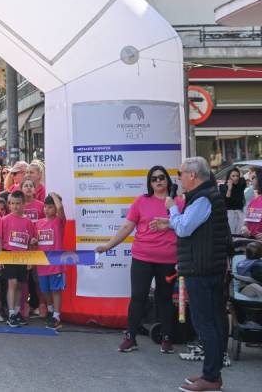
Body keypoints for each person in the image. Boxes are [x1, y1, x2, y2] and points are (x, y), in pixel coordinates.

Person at [150, 157, 231, 392]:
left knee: (206, 323)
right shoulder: (206, 196)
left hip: (202, 269)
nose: (179, 178)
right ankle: (211, 373)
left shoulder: (203, 198)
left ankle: (211, 377)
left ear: (193, 175)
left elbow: (185, 228)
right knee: (212, 322)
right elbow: (191, 225)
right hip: (207, 267)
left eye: (181, 173)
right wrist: (171, 222)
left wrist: (172, 209)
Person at [96, 166, 182, 354]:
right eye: (154, 179)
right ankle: (130, 337)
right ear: (149, 183)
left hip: (168, 259)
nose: (158, 181)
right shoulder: (141, 201)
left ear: (167, 180)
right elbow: (127, 227)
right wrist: (108, 246)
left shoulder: (178, 203)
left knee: (165, 299)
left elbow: (185, 228)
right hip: (142, 257)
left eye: (161, 177)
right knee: (138, 297)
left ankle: (167, 338)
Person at [2, 190, 37, 328]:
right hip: (9, 255)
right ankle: (11, 314)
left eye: (18, 203)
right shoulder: (5, 220)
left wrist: (30, 260)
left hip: (23, 257)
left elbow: (31, 241)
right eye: (12, 203)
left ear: (23, 204)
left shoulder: (28, 222)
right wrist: (0, 259)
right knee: (12, 283)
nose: (15, 206)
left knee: (20, 286)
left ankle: (17, 312)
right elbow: (0, 241)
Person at [36, 193, 66, 330]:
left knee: (56, 290)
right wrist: (33, 241)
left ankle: (57, 316)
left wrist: (53, 195)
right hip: (42, 263)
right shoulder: (38, 223)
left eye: (50, 207)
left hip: (56, 264)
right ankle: (50, 310)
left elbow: (60, 208)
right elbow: (36, 240)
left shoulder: (59, 221)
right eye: (45, 207)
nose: (47, 209)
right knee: (45, 290)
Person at [219, 166, 246, 235]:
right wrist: (229, 189)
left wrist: (239, 170)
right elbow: (226, 201)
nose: (236, 178)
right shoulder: (223, 187)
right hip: (229, 214)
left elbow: (243, 179)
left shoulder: (240, 186)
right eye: (233, 176)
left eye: (237, 176)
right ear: (229, 177)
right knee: (230, 234)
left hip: (240, 214)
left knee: (240, 234)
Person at [241, 170, 262, 239]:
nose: (251, 180)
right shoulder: (253, 201)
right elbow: (245, 223)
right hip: (251, 241)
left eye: (253, 177)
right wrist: (244, 229)